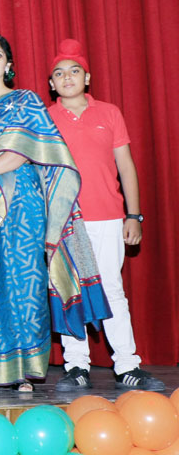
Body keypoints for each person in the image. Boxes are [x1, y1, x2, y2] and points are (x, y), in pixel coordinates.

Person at [0, 33, 108, 392]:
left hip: (22, 203)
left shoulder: (26, 102)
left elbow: (24, 152)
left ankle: (23, 371)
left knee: (24, 283)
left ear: (8, 64)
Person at [47, 39, 163, 392]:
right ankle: (76, 366)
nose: (67, 78)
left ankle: (127, 364)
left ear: (87, 77)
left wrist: (134, 215)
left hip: (107, 217)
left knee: (112, 289)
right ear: (51, 84)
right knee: (69, 291)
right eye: (59, 73)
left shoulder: (109, 113)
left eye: (74, 71)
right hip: (63, 221)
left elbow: (125, 166)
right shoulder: (44, 118)